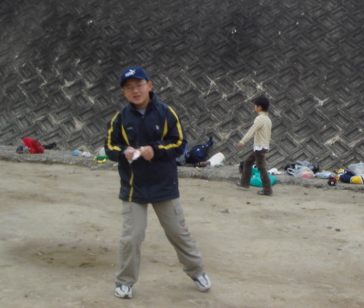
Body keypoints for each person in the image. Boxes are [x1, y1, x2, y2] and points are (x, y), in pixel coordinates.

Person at [105, 66, 211, 299]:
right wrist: (124, 152)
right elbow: (110, 147)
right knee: (132, 237)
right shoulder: (120, 118)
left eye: (139, 85)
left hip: (164, 185)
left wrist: (156, 149)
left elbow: (180, 143)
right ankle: (124, 282)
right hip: (134, 187)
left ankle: (197, 272)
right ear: (123, 92)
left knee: (178, 232)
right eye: (129, 88)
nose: (135, 91)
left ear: (149, 86)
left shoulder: (166, 113)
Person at [235, 95, 273, 196]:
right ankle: (244, 183)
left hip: (259, 147)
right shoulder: (268, 119)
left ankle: (267, 189)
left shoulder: (259, 119)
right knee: (248, 162)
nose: (254, 107)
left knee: (261, 168)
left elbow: (251, 131)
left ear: (259, 107)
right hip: (263, 146)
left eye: (255, 106)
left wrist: (242, 141)